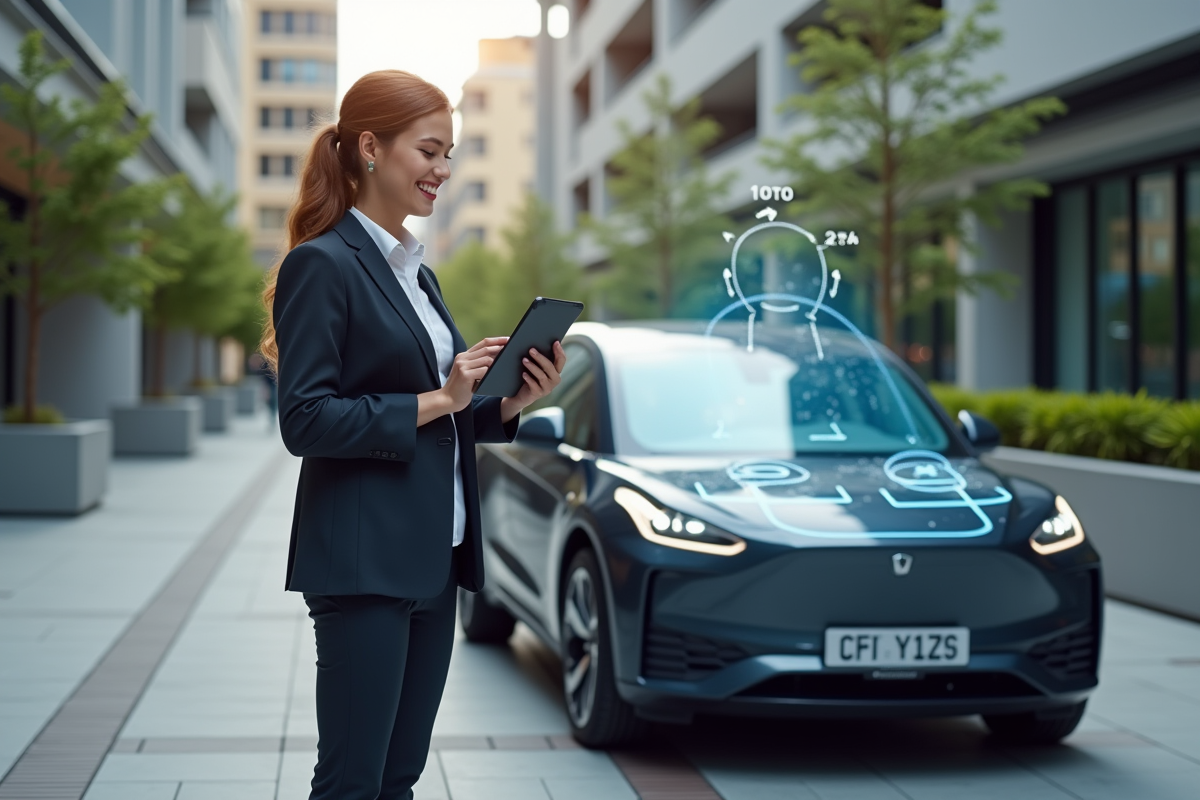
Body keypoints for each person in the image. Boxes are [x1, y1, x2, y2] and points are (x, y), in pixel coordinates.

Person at [258, 70, 566, 800]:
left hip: (436, 558)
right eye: (430, 150)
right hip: (365, 563)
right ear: (370, 148)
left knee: (399, 777)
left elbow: (447, 412)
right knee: (352, 780)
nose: (444, 170)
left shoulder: (415, 275)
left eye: (450, 153)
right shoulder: (323, 265)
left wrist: (507, 399)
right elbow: (305, 420)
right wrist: (437, 397)